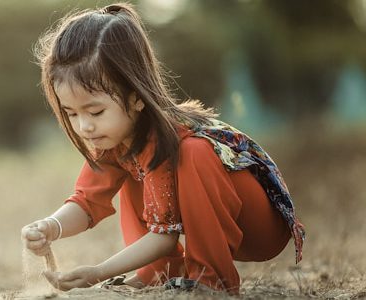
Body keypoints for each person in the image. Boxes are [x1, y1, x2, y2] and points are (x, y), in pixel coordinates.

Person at [20, 3, 305, 295]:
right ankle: (160, 274)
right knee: (134, 173)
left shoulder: (168, 138)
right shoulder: (111, 140)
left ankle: (211, 281)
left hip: (259, 227)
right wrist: (51, 227)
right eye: (71, 113)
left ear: (136, 97)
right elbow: (86, 202)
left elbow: (163, 239)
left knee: (194, 152)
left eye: (95, 112)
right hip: (211, 225)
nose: (84, 127)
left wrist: (98, 272)